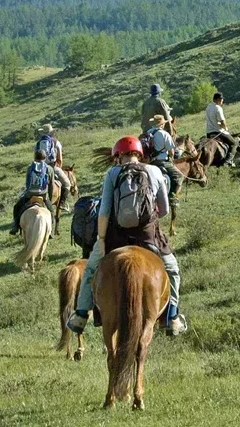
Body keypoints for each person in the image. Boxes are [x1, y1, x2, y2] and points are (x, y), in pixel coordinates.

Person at [66, 136, 186, 336]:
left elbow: (104, 211)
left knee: (91, 270)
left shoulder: (113, 173)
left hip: (116, 238)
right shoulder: (154, 171)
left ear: (118, 157)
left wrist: (101, 240)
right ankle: (172, 317)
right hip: (148, 237)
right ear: (139, 154)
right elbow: (164, 210)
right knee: (172, 269)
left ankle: (80, 315)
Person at [9, 150, 56, 236]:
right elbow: (51, 185)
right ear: (45, 158)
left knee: (17, 207)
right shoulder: (49, 169)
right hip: (43, 196)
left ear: (35, 157)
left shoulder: (30, 168)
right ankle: (51, 231)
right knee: (52, 212)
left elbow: (27, 184)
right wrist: (50, 198)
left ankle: (15, 226)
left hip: (30, 195)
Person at [145, 115, 184, 210]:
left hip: (149, 162)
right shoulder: (164, 134)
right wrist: (171, 158)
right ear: (162, 124)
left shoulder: (148, 132)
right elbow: (171, 152)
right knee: (179, 176)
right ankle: (172, 197)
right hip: (162, 162)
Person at [35, 124, 71, 210]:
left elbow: (35, 158)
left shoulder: (37, 144)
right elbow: (60, 159)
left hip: (39, 168)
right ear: (52, 133)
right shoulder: (56, 142)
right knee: (67, 184)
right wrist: (58, 168)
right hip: (52, 167)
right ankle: (62, 203)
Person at [205, 92, 238, 166]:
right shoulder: (218, 108)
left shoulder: (208, 107)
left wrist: (218, 123)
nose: (222, 101)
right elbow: (222, 121)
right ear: (218, 99)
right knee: (234, 143)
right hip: (218, 132)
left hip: (209, 133)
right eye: (222, 99)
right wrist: (225, 127)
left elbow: (213, 120)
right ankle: (228, 161)